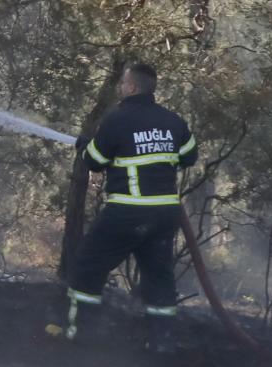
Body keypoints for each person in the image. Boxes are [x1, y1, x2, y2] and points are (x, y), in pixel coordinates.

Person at [59, 62, 198, 347]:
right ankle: (162, 344)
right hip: (164, 216)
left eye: (123, 83)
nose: (121, 87)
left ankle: (79, 337)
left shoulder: (116, 120)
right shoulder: (173, 121)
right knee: (159, 278)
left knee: (87, 267)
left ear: (132, 87)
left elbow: (93, 162)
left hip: (126, 213)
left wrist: (87, 145)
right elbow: (189, 157)